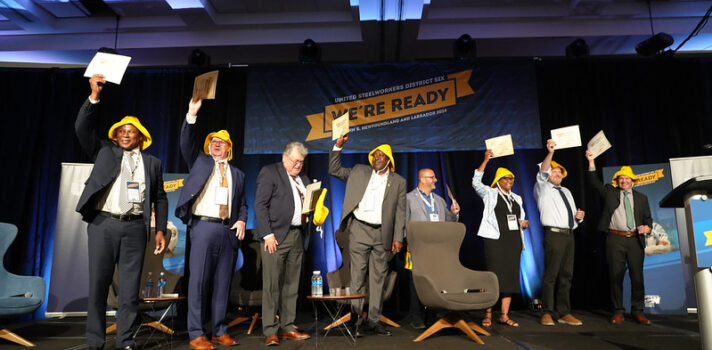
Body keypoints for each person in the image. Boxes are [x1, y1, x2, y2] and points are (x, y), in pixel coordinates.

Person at [75, 74, 167, 350]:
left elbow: (160, 198)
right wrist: (94, 96)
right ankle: (95, 342)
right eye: (121, 131)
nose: (126, 134)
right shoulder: (104, 151)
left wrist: (159, 228)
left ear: (141, 137)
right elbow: (82, 128)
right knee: (99, 286)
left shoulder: (152, 163)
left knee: (129, 291)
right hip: (104, 225)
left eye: (132, 131)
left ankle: (125, 341)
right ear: (116, 136)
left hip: (135, 229)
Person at [175, 98, 248, 349]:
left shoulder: (238, 174)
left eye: (221, 142)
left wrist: (241, 219)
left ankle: (219, 330)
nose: (216, 145)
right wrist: (191, 115)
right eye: (213, 142)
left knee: (222, 283)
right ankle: (196, 333)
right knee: (198, 282)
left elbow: (243, 204)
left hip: (227, 231)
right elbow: (187, 142)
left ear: (229, 148)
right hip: (203, 227)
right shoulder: (200, 161)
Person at [329, 134, 406, 336]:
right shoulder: (358, 171)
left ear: (389, 159)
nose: (376, 158)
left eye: (380, 156)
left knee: (378, 277)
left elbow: (400, 211)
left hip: (382, 233)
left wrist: (398, 237)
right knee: (357, 277)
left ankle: (373, 320)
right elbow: (334, 170)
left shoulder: (398, 182)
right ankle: (355, 319)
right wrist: (338, 146)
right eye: (374, 155)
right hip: (359, 230)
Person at [254, 142, 312, 346]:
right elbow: (260, 205)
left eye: (301, 162)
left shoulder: (303, 179)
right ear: (285, 158)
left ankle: (288, 326)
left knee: (291, 284)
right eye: (295, 161)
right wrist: (267, 234)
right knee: (272, 285)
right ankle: (270, 329)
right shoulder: (270, 172)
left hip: (297, 235)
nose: (298, 165)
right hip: (275, 237)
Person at [585, 150, 653, 325]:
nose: (624, 181)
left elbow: (648, 219)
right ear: (617, 180)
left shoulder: (642, 198)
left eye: (627, 178)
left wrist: (648, 227)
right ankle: (618, 311)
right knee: (616, 276)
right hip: (615, 240)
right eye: (621, 178)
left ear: (632, 181)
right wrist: (591, 162)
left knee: (637, 277)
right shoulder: (610, 192)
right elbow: (594, 182)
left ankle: (638, 311)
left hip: (635, 240)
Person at [472, 149, 529, 328]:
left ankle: (504, 315)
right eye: (506, 179)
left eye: (511, 179)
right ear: (498, 181)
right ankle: (488, 314)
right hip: (495, 240)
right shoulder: (490, 193)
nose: (510, 182)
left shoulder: (517, 198)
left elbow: (518, 219)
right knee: (493, 277)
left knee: (510, 278)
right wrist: (485, 160)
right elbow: (475, 181)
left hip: (513, 241)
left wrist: (524, 224)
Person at [533, 139, 585, 326]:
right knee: (551, 274)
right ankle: (547, 312)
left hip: (568, 235)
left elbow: (570, 216)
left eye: (559, 172)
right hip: (554, 235)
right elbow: (543, 170)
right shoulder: (543, 187)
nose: (557, 174)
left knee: (566, 275)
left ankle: (564, 312)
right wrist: (551, 152)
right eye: (554, 171)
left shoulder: (567, 191)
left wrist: (578, 217)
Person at [404, 168, 460, 329]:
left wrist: (454, 213)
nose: (435, 180)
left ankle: (433, 315)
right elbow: (403, 222)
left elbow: (449, 222)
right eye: (432, 177)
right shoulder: (408, 199)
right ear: (422, 179)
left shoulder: (440, 200)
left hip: (438, 249)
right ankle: (416, 317)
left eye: (435, 177)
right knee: (417, 282)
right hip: (418, 247)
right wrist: (406, 240)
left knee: (435, 282)